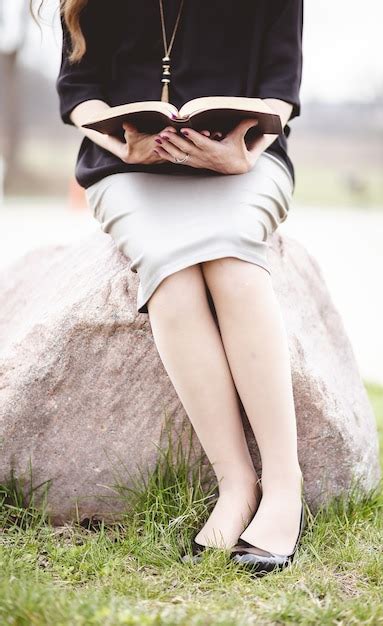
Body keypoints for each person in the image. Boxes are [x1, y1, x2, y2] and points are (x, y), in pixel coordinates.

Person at [37, 0, 305, 575]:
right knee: (171, 270)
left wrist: (240, 154)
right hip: (129, 168)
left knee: (232, 261)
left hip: (244, 163)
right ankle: (237, 485)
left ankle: (284, 486)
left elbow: (281, 90)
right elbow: (79, 92)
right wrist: (123, 144)